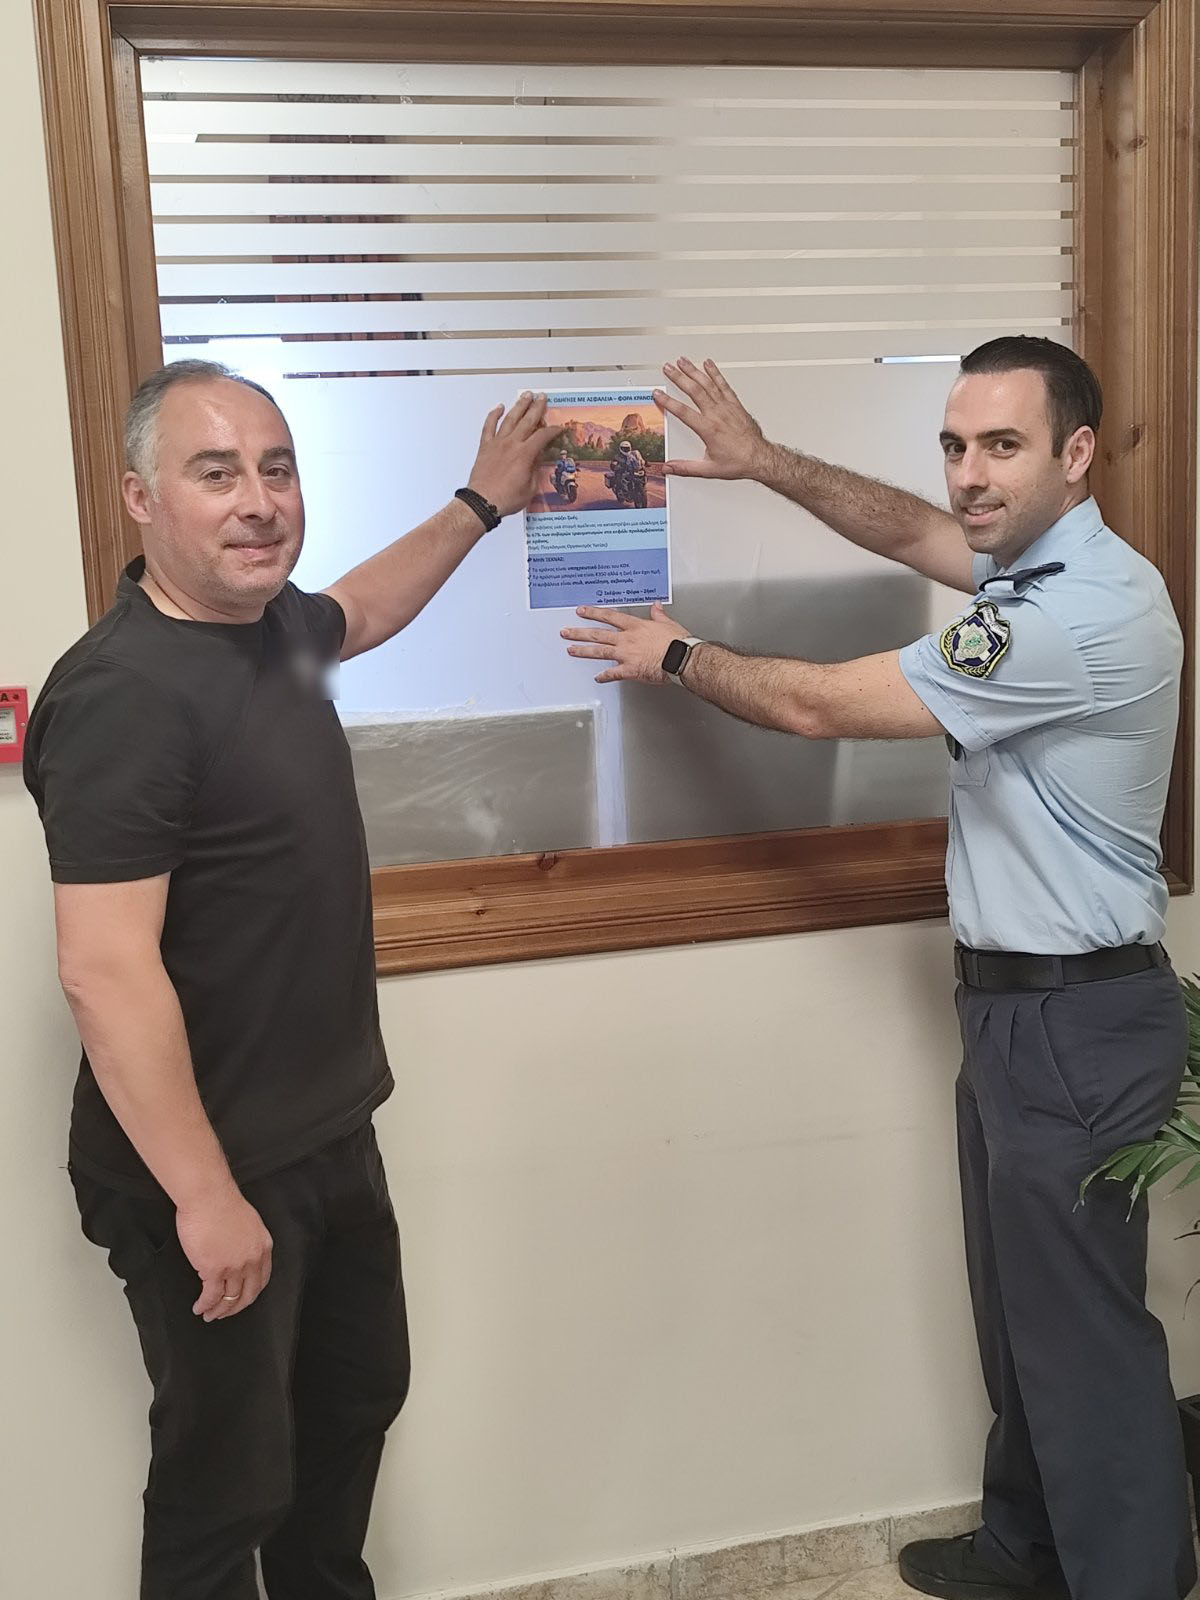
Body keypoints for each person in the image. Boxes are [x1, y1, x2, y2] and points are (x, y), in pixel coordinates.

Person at [561, 339, 1194, 1600]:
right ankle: (1029, 1550)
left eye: (1001, 446)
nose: (969, 475)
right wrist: (764, 462)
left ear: (1077, 454)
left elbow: (819, 706)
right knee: (1022, 1317)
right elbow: (911, 529)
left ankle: (1129, 1577)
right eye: (956, 444)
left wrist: (678, 656)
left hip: (1076, 1018)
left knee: (1082, 1339)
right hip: (1020, 1011)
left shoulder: (1077, 613)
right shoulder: (1036, 559)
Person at [24, 358, 558, 1600]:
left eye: (277, 469)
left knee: (352, 1407)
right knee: (228, 1484)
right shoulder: (122, 695)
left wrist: (482, 502)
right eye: (217, 474)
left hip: (325, 1134)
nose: (259, 501)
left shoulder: (272, 636)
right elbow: (104, 970)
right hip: (209, 1162)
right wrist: (205, 1197)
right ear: (141, 499)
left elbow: (360, 607)